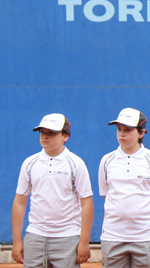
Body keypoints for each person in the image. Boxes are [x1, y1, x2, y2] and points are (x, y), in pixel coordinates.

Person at [11, 113, 94, 267]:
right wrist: (16, 241)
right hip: (35, 236)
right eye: (42, 132)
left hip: (68, 238)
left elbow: (87, 203)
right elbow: (19, 203)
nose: (45, 137)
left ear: (65, 136)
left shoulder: (76, 163)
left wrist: (84, 241)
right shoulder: (30, 163)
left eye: (52, 133)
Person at [99, 107, 150, 267]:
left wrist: (146, 211)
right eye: (119, 129)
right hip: (113, 235)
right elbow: (106, 194)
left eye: (127, 130)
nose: (122, 134)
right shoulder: (107, 160)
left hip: (146, 236)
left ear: (141, 133)